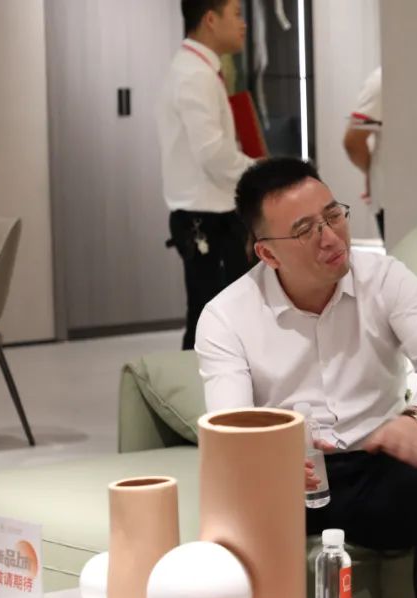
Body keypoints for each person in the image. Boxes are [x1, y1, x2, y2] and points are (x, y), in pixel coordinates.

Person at [193, 156, 417, 598]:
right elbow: (230, 426)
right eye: (305, 229)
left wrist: (415, 419)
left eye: (333, 215)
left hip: (378, 464)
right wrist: (271, 461)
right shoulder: (226, 316)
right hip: (289, 479)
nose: (330, 237)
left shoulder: (384, 277)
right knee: (231, 519)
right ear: (267, 253)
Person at [157, 0, 254, 350]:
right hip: (207, 219)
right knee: (210, 323)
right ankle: (195, 386)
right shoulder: (194, 75)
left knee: (214, 319)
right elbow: (213, 154)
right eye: (236, 14)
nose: (243, 24)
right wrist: (261, 173)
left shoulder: (198, 69)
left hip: (211, 213)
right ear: (211, 19)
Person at [343, 66, 384, 239]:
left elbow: (353, 141)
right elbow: (353, 141)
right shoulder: (384, 79)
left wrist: (370, 173)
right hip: (396, 199)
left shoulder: (383, 78)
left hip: (397, 196)